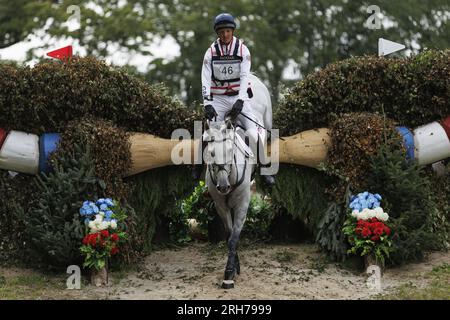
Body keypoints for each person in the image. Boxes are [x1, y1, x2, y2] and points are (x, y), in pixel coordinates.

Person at [192, 13, 275, 186]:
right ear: (217, 33)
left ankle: (266, 170)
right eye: (221, 32)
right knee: (210, 134)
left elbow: (245, 77)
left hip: (239, 97)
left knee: (254, 133)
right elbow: (205, 78)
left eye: (228, 31)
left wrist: (240, 100)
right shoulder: (211, 52)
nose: (225, 35)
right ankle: (197, 167)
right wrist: (207, 103)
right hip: (219, 99)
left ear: (232, 31)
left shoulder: (243, 50)